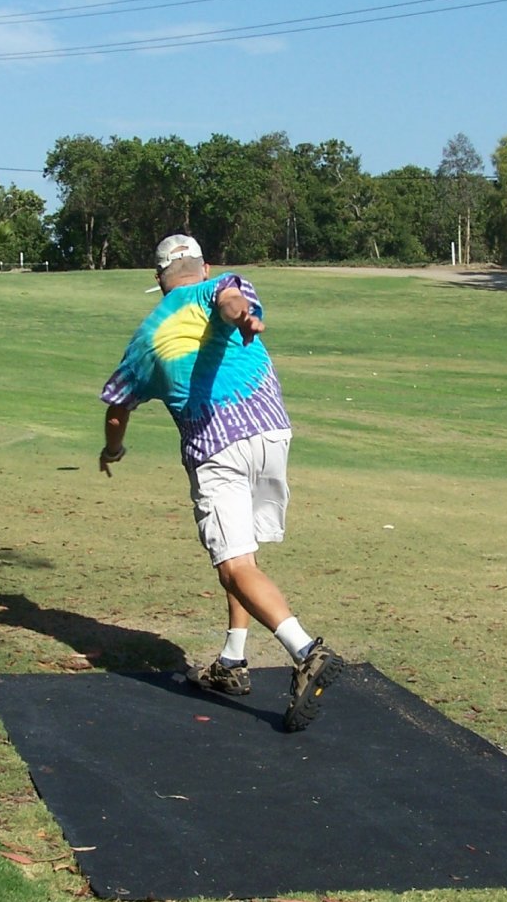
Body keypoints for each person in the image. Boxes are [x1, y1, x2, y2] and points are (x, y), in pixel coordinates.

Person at [98, 234, 343, 732]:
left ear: (158, 279)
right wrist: (244, 319)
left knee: (233, 563)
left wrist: (113, 450)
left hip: (217, 448)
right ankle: (232, 662)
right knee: (241, 557)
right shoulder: (220, 286)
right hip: (273, 434)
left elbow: (118, 408)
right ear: (203, 266)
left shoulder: (146, 340)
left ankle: (306, 650)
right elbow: (231, 298)